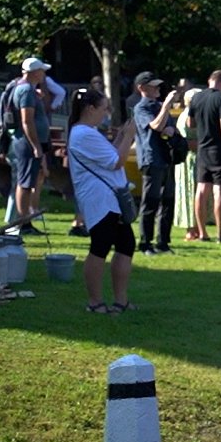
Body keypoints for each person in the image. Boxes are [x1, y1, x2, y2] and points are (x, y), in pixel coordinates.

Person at [66, 88, 137, 313]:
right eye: (104, 108)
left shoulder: (88, 131)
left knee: (126, 244)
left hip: (109, 199)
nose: (107, 113)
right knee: (100, 247)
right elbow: (117, 162)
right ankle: (95, 302)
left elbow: (108, 156)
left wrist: (119, 137)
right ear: (90, 108)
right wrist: (128, 136)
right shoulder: (83, 134)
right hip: (101, 200)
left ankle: (120, 301)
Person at [131, 72, 180, 255]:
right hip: (152, 158)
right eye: (153, 86)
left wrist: (169, 127)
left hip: (167, 157)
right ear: (142, 88)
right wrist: (166, 107)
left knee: (168, 201)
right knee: (150, 202)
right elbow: (156, 126)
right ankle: (145, 243)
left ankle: (163, 242)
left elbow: (170, 129)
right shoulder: (141, 108)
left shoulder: (158, 106)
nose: (158, 89)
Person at [187, 70, 221, 243]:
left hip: (202, 148)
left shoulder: (196, 98)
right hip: (218, 150)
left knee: (201, 190)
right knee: (219, 191)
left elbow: (190, 123)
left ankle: (202, 233)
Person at [7, 57, 53, 233]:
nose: (44, 74)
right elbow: (27, 121)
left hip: (27, 142)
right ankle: (22, 222)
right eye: (42, 71)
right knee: (25, 183)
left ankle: (23, 222)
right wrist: (36, 146)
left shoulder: (28, 89)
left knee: (28, 181)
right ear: (34, 72)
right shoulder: (25, 90)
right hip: (26, 143)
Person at [172, 87, 202, 241]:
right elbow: (189, 142)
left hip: (192, 159)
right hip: (189, 160)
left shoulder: (192, 115)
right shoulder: (189, 117)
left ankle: (195, 228)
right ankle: (191, 230)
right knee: (190, 192)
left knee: (194, 192)